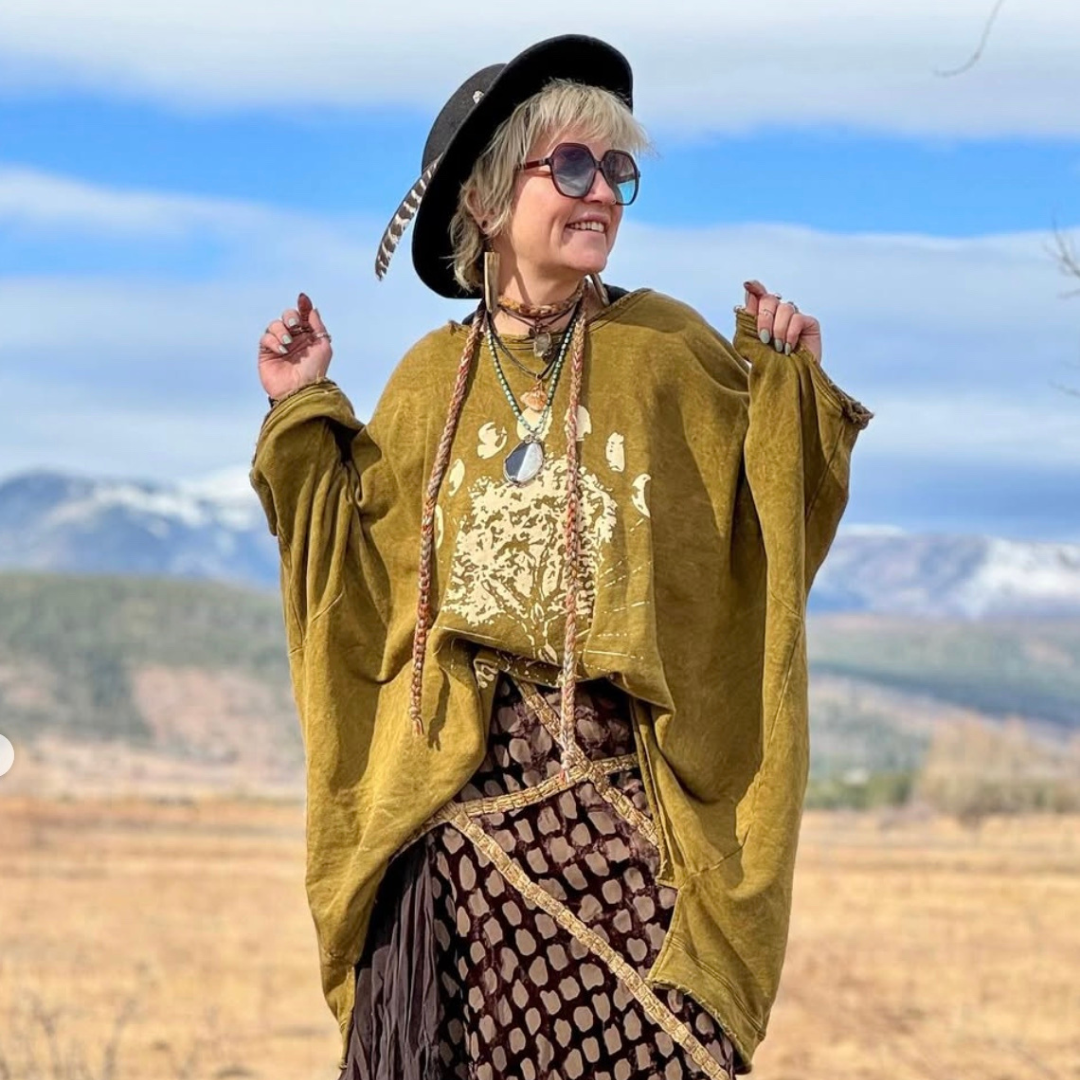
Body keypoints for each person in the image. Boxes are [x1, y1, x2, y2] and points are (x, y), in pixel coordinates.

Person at [250, 34, 873, 1080]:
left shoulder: (670, 352)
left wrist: (788, 393)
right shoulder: (422, 385)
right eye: (572, 168)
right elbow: (353, 595)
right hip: (456, 863)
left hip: (631, 850)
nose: (603, 193)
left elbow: (768, 534)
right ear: (487, 201)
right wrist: (301, 408)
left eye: (618, 170)